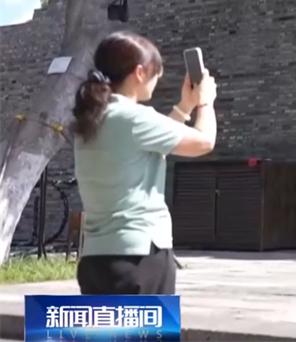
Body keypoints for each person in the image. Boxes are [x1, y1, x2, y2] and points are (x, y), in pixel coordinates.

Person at [72, 31, 218, 295]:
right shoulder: (134, 118)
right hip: (140, 258)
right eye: (156, 73)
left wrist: (184, 107)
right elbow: (204, 142)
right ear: (139, 72)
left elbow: (150, 140)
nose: (157, 80)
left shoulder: (92, 120)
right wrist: (205, 102)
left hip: (96, 259)